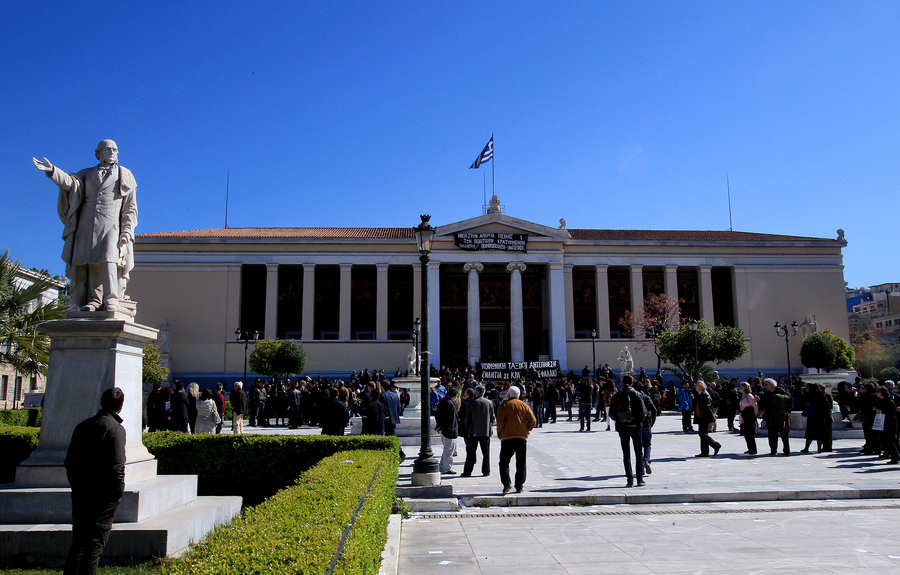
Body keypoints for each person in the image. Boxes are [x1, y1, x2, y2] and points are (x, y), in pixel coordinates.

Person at [33, 140, 137, 312]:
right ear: (99, 153)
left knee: (109, 258)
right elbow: (70, 183)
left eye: (115, 150)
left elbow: (130, 208)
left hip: (111, 225)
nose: (112, 152)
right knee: (89, 262)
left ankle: (111, 298)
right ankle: (95, 300)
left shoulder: (125, 175)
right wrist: (53, 171)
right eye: (108, 149)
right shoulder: (87, 174)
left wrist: (127, 231)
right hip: (86, 225)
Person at [63, 387, 126, 575]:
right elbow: (117, 467)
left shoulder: (83, 426)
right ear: (121, 406)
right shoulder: (115, 429)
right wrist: (117, 494)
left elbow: (70, 462)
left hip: (82, 491)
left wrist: (77, 485)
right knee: (94, 545)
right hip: (104, 496)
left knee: (79, 542)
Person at [496, 386, 536, 494]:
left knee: (504, 462)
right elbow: (533, 421)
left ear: (508, 395)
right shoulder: (524, 405)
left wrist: (500, 433)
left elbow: (500, 422)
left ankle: (506, 483)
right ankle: (519, 486)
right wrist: (526, 429)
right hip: (521, 438)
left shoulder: (504, 406)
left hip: (507, 437)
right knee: (521, 463)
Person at [609, 375, 647, 487]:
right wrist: (638, 422)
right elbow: (643, 412)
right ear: (632, 382)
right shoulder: (637, 394)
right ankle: (639, 478)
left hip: (623, 427)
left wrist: (620, 421)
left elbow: (611, 413)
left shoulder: (617, 396)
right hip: (636, 427)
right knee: (639, 453)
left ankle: (629, 479)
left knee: (626, 454)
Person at [462, 385, 495, 477]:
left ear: (476, 392)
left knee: (471, 453)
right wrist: (489, 425)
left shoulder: (472, 402)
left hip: (473, 431)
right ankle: (486, 471)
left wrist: (467, 427)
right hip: (485, 431)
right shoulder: (489, 403)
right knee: (486, 452)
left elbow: (467, 418)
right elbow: (492, 417)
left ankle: (468, 471)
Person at [759, 378, 791, 456]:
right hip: (771, 416)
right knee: (772, 434)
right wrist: (759, 401)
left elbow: (789, 399)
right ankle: (773, 450)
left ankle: (786, 450)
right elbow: (763, 405)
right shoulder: (766, 393)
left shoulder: (780, 390)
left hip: (781, 415)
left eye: (767, 384)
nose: (765, 386)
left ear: (772, 385)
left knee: (784, 433)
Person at [800, 383, 833, 454]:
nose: (807, 389)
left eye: (808, 388)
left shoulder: (811, 396)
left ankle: (806, 448)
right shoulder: (821, 395)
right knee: (819, 434)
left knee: (809, 433)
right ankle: (819, 448)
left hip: (813, 417)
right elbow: (828, 406)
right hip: (820, 417)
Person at [693, 379, 722, 457]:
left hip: (704, 417)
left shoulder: (705, 394)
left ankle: (715, 445)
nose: (695, 386)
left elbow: (707, 406)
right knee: (702, 434)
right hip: (701, 416)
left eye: (697, 385)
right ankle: (704, 452)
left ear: (701, 387)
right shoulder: (700, 393)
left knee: (702, 434)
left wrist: (702, 415)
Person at [434, 388, 459, 474]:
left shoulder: (442, 402)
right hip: (449, 430)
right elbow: (451, 420)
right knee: (449, 450)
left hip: (443, 429)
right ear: (455, 396)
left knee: (446, 449)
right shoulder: (450, 404)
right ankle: (446, 468)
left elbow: (437, 415)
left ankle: (442, 466)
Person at [738, 382, 759, 455]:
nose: (740, 388)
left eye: (742, 387)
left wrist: (755, 414)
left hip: (750, 416)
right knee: (746, 433)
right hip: (744, 415)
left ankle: (753, 449)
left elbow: (755, 405)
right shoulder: (743, 396)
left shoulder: (749, 396)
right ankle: (749, 448)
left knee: (750, 433)